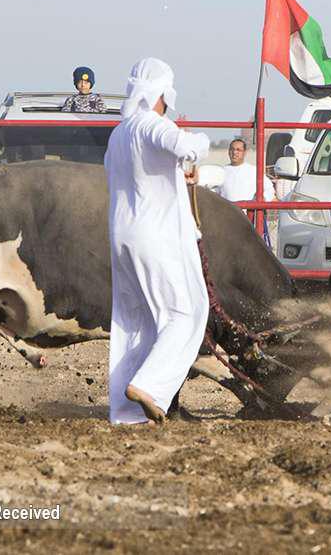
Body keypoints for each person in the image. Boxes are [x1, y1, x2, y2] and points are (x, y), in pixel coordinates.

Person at [104, 57, 211, 425]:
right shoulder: (152, 124)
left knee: (137, 324)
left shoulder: (119, 133)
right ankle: (150, 386)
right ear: (160, 93)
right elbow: (189, 146)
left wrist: (180, 175)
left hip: (122, 234)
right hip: (155, 235)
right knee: (186, 313)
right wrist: (201, 143)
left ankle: (127, 410)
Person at [220, 138, 276, 202]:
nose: (234, 152)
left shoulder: (253, 171)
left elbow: (269, 189)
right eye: (232, 149)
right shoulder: (221, 172)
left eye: (238, 150)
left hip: (248, 210)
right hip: (226, 210)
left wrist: (263, 198)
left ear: (245, 152)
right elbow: (214, 193)